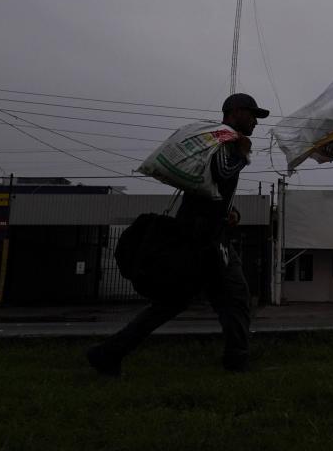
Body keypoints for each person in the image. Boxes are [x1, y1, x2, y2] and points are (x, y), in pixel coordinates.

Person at [86, 93, 270, 377]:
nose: (256, 121)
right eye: (252, 114)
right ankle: (237, 363)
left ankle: (108, 353)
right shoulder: (226, 139)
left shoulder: (223, 140)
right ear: (234, 112)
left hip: (207, 235)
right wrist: (242, 154)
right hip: (203, 241)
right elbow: (219, 171)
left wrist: (229, 213)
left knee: (186, 302)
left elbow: (210, 188)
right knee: (232, 298)